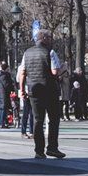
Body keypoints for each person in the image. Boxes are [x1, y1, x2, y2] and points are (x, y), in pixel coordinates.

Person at [19, 29, 66, 160]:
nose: (52, 40)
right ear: (44, 39)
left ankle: (39, 151)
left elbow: (22, 73)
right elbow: (55, 71)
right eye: (50, 38)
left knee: (37, 120)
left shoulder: (27, 53)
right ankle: (52, 147)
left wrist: (22, 90)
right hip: (49, 90)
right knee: (53, 119)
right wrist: (64, 68)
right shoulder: (50, 52)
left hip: (33, 90)